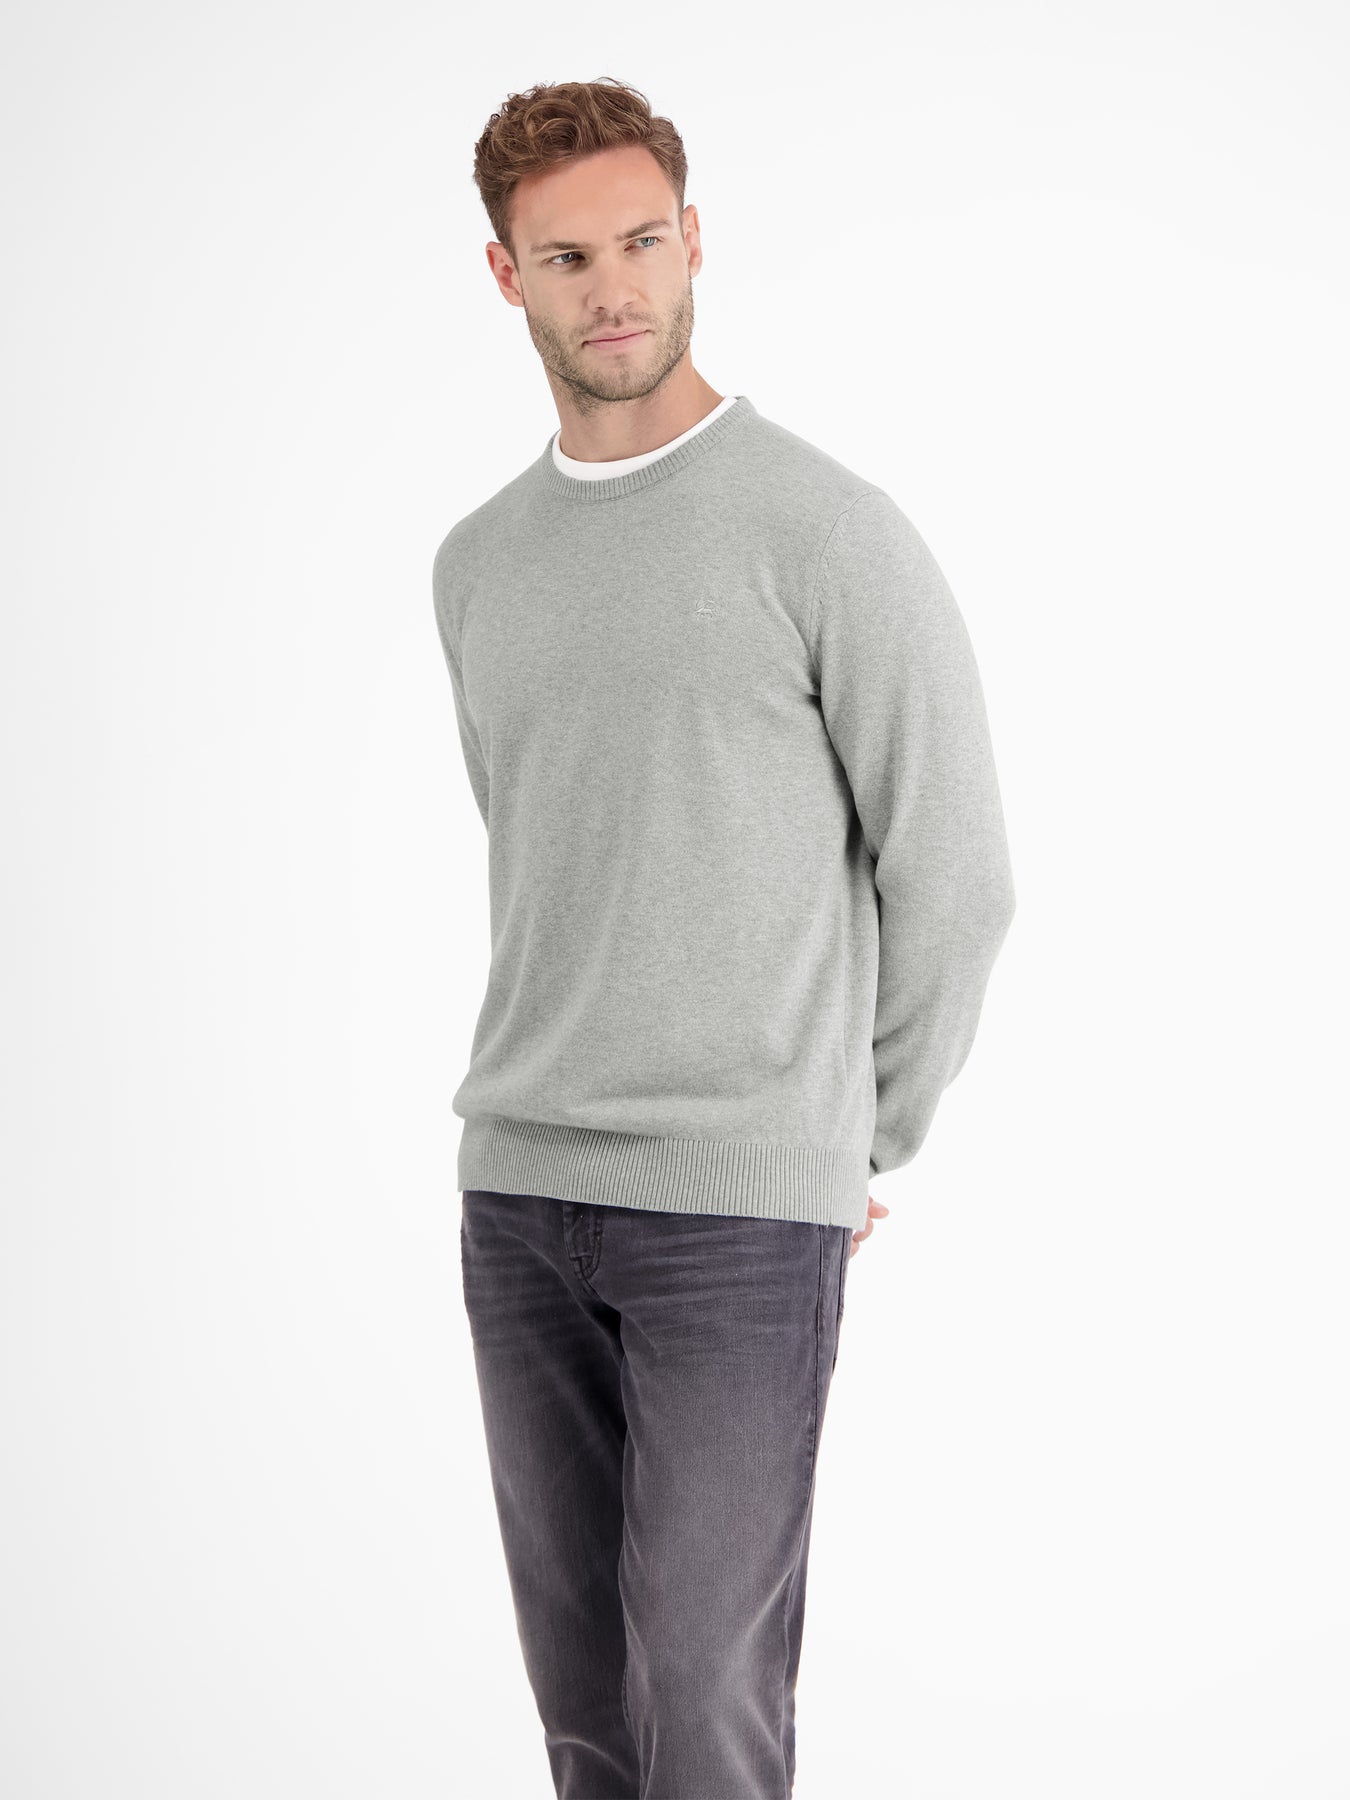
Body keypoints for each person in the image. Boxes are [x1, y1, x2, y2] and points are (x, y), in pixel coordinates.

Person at [432, 75, 1016, 1800]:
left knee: (703, 1704)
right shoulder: (475, 564)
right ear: (505, 277)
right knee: (586, 1718)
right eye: (565, 258)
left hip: (736, 1215)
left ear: (692, 242)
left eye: (639, 242)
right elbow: (540, 851)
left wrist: (854, 1137)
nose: (610, 288)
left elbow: (957, 875)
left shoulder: (821, 529)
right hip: (517, 1196)